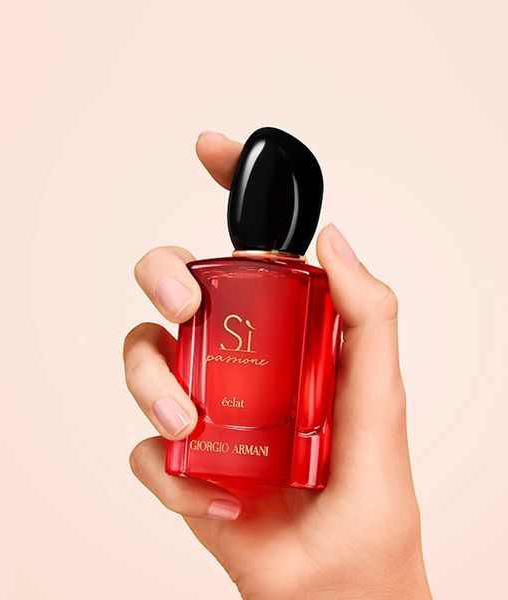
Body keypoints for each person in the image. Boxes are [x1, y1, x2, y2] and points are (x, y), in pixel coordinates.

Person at [123, 131, 432, 599]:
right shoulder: (205, 279)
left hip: (301, 481)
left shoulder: (312, 287)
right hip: (259, 487)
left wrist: (357, 583)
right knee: (179, 307)